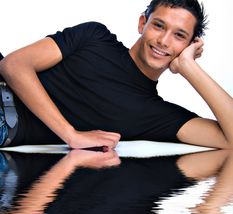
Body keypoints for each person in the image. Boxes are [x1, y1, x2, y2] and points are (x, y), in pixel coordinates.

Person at [0, 0, 232, 149]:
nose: (163, 40)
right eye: (158, 26)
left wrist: (190, 68)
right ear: (143, 23)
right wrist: (70, 134)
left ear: (190, 45)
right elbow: (14, 65)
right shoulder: (94, 36)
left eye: (179, 35)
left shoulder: (155, 115)